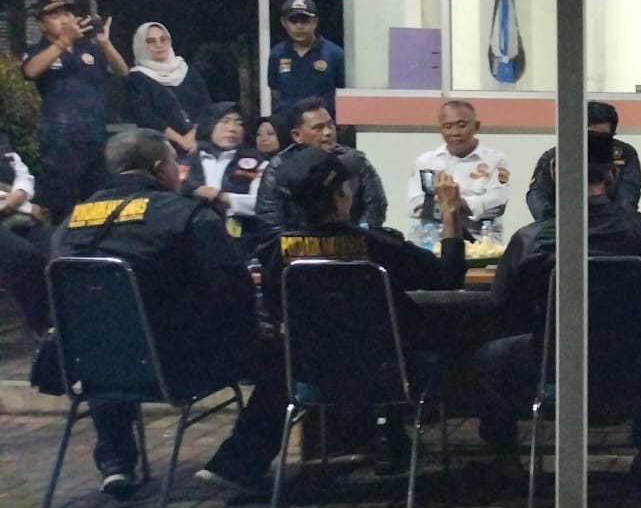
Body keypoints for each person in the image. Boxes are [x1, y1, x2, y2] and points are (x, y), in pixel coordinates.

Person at [201, 148, 468, 487]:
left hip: (309, 374)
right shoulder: (378, 246)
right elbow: (448, 276)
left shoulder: (274, 252)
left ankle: (237, 463)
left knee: (279, 360)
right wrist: (450, 217)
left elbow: (275, 309)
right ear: (341, 196)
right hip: (389, 372)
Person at [53, 129, 257, 497]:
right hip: (175, 366)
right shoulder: (187, 214)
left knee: (106, 331)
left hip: (87, 365)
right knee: (281, 355)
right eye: (176, 164)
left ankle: (116, 461)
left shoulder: (71, 222)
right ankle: (238, 464)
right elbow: (232, 287)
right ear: (161, 168)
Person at [475, 130, 641, 477]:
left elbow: (500, 305)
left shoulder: (531, 238)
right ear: (612, 174)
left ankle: (507, 458)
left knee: (489, 355)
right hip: (631, 364)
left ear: (554, 172)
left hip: (552, 364)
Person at [21, 0, 129, 218]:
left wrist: (105, 43)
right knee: (64, 206)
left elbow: (122, 71)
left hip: (95, 134)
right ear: (42, 24)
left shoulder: (88, 48)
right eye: (55, 16)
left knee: (99, 201)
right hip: (60, 139)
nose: (64, 20)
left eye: (67, 14)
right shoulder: (37, 50)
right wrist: (63, 42)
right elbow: (30, 70)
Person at [255, 97, 387, 234]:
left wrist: (360, 234)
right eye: (318, 128)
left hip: (352, 240)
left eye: (330, 125)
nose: (328, 132)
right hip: (297, 243)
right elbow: (269, 219)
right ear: (297, 135)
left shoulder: (355, 161)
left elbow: (375, 205)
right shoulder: (278, 167)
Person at [179, 103, 270, 258]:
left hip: (241, 243)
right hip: (189, 241)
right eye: (225, 121)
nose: (232, 128)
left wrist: (224, 198)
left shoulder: (258, 162)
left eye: (239, 123)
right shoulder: (184, 161)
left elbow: (263, 204)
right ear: (210, 124)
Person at [526, 101, 641, 220]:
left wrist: (609, 223)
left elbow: (629, 194)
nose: (593, 142)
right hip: (563, 223)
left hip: (613, 223)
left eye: (600, 138)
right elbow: (538, 194)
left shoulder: (624, 154)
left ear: (612, 135)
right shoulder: (556, 155)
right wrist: (552, 223)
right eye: (588, 136)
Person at [407, 101, 510, 233]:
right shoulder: (425, 161)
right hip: (433, 237)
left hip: (479, 238)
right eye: (448, 127)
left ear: (476, 126)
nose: (455, 132)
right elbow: (414, 206)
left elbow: (497, 203)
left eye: (462, 126)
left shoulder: (496, 160)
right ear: (440, 130)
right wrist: (465, 205)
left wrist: (449, 203)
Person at [124, 22, 210, 154]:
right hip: (158, 147)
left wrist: (192, 137)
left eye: (163, 39)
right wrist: (180, 140)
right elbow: (145, 116)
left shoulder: (187, 70)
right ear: (141, 46)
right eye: (151, 41)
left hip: (198, 143)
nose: (159, 45)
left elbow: (205, 106)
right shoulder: (138, 78)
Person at [0, 132, 50, 335]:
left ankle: (59, 320)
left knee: (54, 250)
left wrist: (20, 196)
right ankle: (40, 324)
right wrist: (25, 207)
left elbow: (23, 175)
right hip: (13, 210)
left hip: (15, 212)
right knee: (23, 255)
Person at [267, 0, 344, 119]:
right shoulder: (277, 54)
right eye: (293, 21)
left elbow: (342, 93)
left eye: (305, 20)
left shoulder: (334, 54)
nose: (299, 26)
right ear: (284, 22)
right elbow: (275, 91)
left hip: (321, 123)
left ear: (315, 22)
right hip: (287, 122)